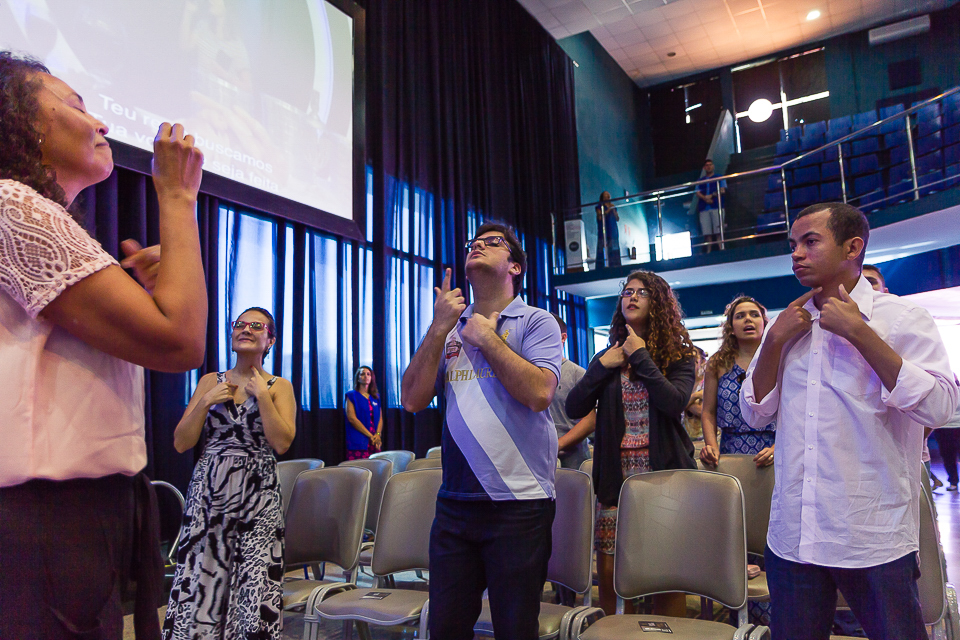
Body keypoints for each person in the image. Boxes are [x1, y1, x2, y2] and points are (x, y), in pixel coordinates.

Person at [0, 52, 207, 640]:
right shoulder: (13, 204)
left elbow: (167, 330)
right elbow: (180, 342)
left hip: (74, 512)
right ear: (15, 119)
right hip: (42, 517)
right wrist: (177, 197)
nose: (102, 125)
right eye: (74, 105)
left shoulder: (33, 215)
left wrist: (149, 299)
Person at [740, 202, 959, 640]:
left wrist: (860, 332)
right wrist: (776, 341)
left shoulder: (900, 317)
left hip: (870, 532)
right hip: (793, 534)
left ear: (852, 246)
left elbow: (942, 406)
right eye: (793, 245)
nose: (796, 254)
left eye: (810, 241)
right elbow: (755, 409)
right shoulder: (785, 324)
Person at [401, 222, 562, 640]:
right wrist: (439, 327)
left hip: (519, 503)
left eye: (493, 243)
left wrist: (489, 340)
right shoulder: (449, 328)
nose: (477, 247)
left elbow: (541, 393)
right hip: (455, 503)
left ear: (515, 267)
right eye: (473, 243)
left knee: (514, 630)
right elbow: (412, 399)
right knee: (447, 630)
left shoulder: (536, 322)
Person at [566, 269, 698, 616]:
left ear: (658, 303)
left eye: (642, 292)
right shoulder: (606, 358)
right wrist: (603, 366)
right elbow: (573, 407)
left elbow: (674, 403)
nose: (632, 296)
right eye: (627, 291)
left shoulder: (678, 357)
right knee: (609, 574)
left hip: (664, 477)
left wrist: (640, 355)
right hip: (615, 477)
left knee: (665, 573)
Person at [163, 307, 296, 639]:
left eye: (255, 326)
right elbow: (181, 442)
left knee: (254, 580)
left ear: (270, 341)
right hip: (209, 493)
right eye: (239, 324)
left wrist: (263, 398)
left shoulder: (279, 386)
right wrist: (205, 401)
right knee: (201, 579)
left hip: (257, 496)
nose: (245, 329)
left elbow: (282, 443)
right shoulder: (211, 381)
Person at [863, 263, 946, 491]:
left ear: (885, 290)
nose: (863, 287)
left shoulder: (907, 324)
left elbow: (936, 404)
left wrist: (919, 435)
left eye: (870, 282)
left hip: (910, 453)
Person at [699, 295, 775, 468]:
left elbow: (791, 411)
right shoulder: (717, 363)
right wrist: (711, 446)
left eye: (754, 315)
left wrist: (777, 448)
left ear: (764, 323)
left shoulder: (778, 359)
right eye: (740, 316)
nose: (748, 319)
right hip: (730, 451)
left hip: (772, 450)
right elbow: (708, 412)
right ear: (731, 328)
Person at [551, 313, 595, 471]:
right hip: (540, 459)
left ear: (563, 338)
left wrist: (558, 445)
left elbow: (590, 421)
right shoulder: (531, 373)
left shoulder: (578, 374)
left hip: (573, 462)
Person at [345, 365, 383, 459]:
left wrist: (377, 435)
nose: (366, 376)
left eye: (368, 374)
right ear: (357, 378)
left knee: (376, 469)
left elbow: (380, 418)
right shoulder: (351, 396)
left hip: (374, 440)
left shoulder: (375, 397)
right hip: (359, 441)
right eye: (362, 374)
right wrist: (370, 436)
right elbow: (352, 418)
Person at [695, 159, 726, 253]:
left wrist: (712, 195)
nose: (709, 167)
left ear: (713, 166)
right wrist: (705, 198)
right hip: (704, 208)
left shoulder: (719, 177)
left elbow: (722, 190)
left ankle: (722, 249)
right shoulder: (700, 181)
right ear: (704, 168)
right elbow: (697, 192)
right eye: (707, 165)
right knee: (707, 232)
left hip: (717, 207)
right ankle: (708, 252)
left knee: (718, 231)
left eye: (710, 165)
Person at [594, 190, 621, 269]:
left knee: (614, 248)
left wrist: (614, 210)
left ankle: (615, 265)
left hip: (613, 231)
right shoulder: (599, 207)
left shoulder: (613, 206)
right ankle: (602, 266)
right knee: (603, 247)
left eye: (608, 195)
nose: (607, 197)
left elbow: (617, 218)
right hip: (604, 231)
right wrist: (609, 209)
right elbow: (600, 216)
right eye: (606, 195)